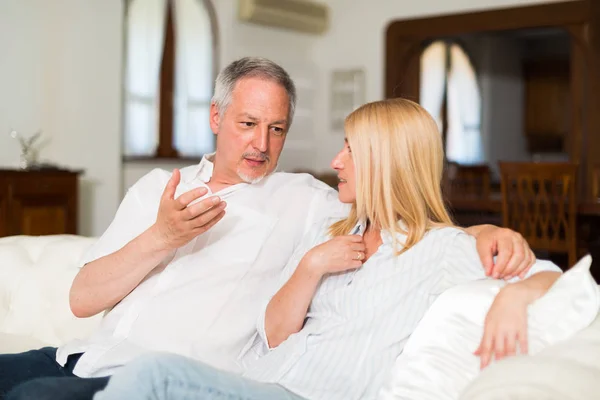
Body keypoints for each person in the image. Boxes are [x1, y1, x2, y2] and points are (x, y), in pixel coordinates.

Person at [1, 60, 534, 400]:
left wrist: (485, 230)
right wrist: (162, 236)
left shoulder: (303, 201)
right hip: (85, 354)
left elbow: (393, 202)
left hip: (157, 379)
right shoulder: (158, 188)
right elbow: (81, 299)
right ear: (215, 117)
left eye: (277, 129)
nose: (262, 144)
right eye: (248, 124)